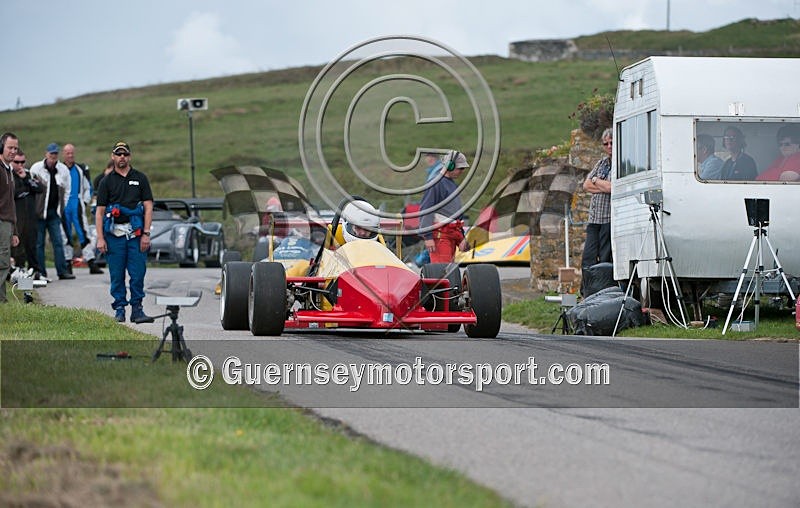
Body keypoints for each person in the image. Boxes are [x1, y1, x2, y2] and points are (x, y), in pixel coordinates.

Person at [95, 142, 154, 323]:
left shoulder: (141, 178)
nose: (122, 157)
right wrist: (100, 238)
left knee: (137, 274)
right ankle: (119, 308)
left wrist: (146, 233)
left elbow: (148, 206)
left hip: (136, 236)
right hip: (114, 236)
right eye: (118, 154)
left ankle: (137, 309)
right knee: (117, 274)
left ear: (129, 157)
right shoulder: (106, 181)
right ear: (112, 157)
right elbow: (100, 211)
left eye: (125, 154)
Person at [30, 143, 74, 280]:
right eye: (51, 154)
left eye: (55, 154)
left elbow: (67, 190)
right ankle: (41, 272)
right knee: (39, 243)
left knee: (58, 242)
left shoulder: (63, 170)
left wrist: (62, 207)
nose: (53, 156)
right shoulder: (36, 168)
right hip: (39, 213)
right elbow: (30, 188)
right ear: (46, 154)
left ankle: (62, 271)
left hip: (54, 213)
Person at [419, 149, 469, 263]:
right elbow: (426, 210)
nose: (462, 171)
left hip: (452, 232)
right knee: (442, 272)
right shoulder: (435, 184)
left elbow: (456, 214)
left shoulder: (452, 184)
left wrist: (461, 237)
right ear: (449, 166)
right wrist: (428, 237)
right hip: (441, 235)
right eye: (460, 168)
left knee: (450, 271)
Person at [61, 144, 103, 274]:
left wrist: (84, 202)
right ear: (64, 154)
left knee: (84, 233)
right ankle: (67, 263)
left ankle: (91, 262)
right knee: (65, 234)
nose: (70, 155)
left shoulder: (80, 169)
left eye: (72, 152)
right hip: (63, 205)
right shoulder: (59, 169)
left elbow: (88, 187)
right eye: (67, 153)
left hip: (77, 204)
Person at [581, 128, 613, 269]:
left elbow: (611, 188)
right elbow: (586, 185)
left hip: (608, 219)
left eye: (612, 143)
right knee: (588, 257)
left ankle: (604, 287)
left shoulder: (620, 163)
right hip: (594, 219)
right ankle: (587, 289)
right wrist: (600, 184)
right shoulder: (601, 163)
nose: (609, 147)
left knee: (605, 258)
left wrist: (595, 180)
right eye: (606, 144)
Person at [10, 149, 44, 277]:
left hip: (30, 218)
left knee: (32, 245)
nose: (20, 165)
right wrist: (25, 188)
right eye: (17, 162)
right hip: (16, 218)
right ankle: (17, 272)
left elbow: (39, 188)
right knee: (18, 248)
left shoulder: (29, 174)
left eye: (22, 162)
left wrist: (26, 180)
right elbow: (14, 193)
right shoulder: (9, 176)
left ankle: (35, 271)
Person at [0, 132, 22, 303]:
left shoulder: (9, 170)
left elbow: (11, 204)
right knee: (3, 262)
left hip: (8, 223)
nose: (13, 151)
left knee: (5, 262)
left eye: (16, 148)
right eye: (10, 147)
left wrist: (14, 231)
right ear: (2, 147)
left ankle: (2, 299)